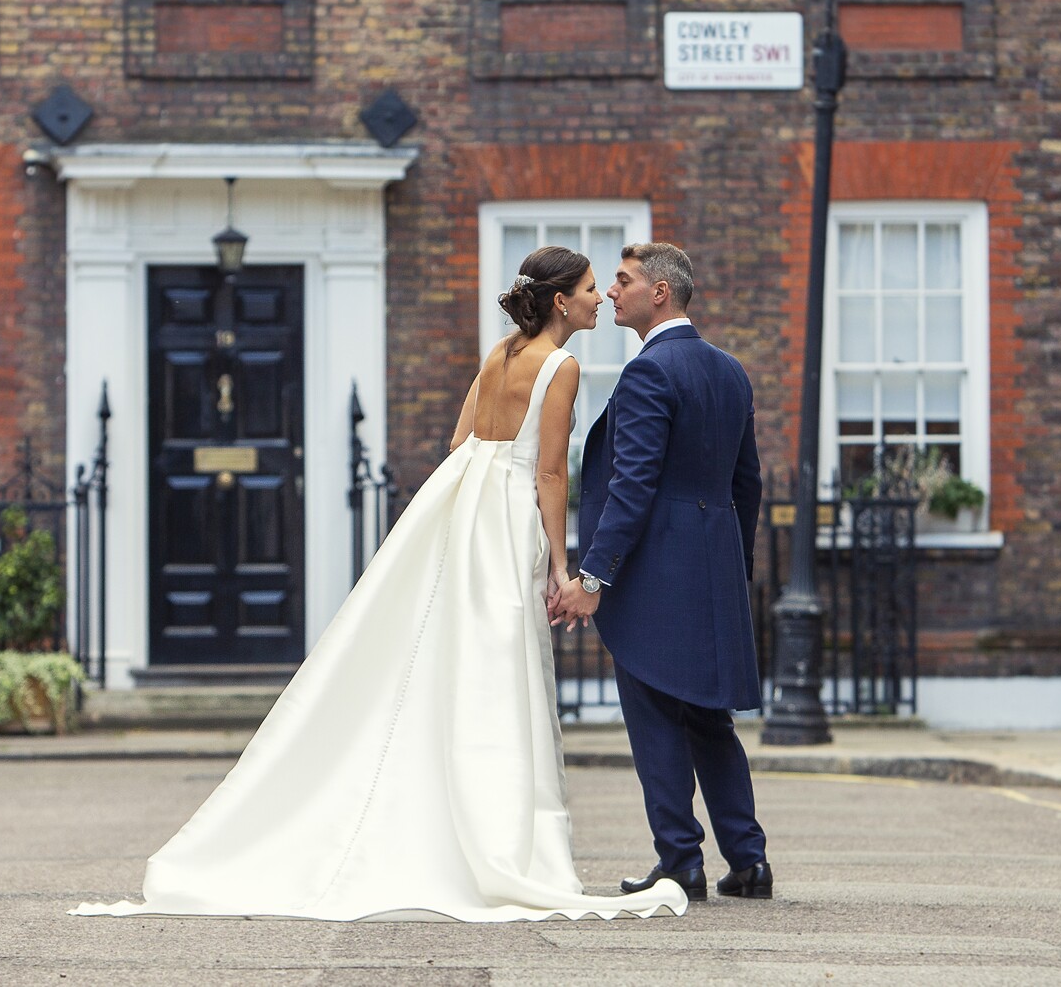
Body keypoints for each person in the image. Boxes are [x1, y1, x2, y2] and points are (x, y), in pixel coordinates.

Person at [72, 246, 687, 922]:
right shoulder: (562, 366)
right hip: (507, 513)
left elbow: (460, 443)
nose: (602, 298)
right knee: (496, 666)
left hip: (462, 505)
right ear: (563, 301)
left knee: (438, 654)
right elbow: (547, 473)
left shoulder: (500, 353)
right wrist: (559, 563)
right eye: (594, 288)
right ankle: (496, 834)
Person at [550, 242, 772, 902]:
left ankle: (680, 860)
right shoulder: (730, 371)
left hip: (653, 574)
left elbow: (633, 484)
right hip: (711, 564)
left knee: (652, 713)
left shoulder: (649, 373)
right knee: (710, 720)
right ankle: (750, 860)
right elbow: (748, 483)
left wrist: (592, 578)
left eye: (623, 281)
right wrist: (737, 564)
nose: (612, 291)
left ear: (661, 294)